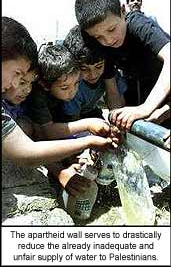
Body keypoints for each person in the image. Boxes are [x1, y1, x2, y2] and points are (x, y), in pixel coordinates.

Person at [2, 16, 118, 170]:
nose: (15, 85)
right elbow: (27, 150)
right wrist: (87, 141)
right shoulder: (37, 99)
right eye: (17, 74)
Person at [23, 43, 121, 195]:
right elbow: (47, 133)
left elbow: (65, 127)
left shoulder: (61, 91)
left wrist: (72, 157)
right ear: (45, 84)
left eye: (76, 84)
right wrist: (87, 124)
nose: (72, 92)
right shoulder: (38, 97)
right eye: (65, 88)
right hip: (32, 134)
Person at [75, 0, 170, 131]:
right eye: (98, 36)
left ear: (123, 11)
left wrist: (146, 108)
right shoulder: (102, 46)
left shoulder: (138, 24)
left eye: (112, 29)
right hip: (145, 92)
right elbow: (111, 88)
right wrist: (116, 128)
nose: (108, 40)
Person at [63, 25, 126, 121]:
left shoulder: (109, 71)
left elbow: (118, 109)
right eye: (84, 68)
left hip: (92, 112)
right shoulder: (71, 85)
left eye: (99, 66)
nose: (93, 75)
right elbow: (74, 121)